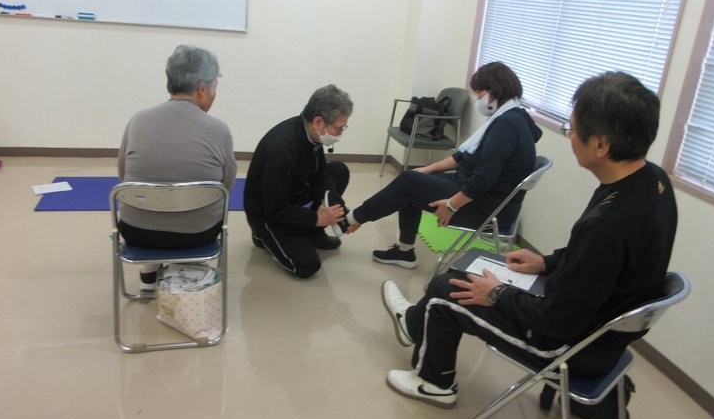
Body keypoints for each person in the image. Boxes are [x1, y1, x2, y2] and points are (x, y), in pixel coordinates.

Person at [380, 71, 677, 409]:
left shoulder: (608, 225)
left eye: (572, 129)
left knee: (445, 290)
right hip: (599, 329)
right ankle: (413, 323)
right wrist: (546, 262)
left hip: (566, 345)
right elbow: (599, 260)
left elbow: (557, 320)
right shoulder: (652, 180)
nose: (570, 137)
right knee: (469, 270)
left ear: (601, 145)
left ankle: (435, 383)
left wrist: (497, 293)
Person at [346, 61, 542, 268]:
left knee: (408, 182)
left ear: (495, 90)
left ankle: (351, 219)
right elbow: (463, 157)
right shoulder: (512, 116)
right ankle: (403, 251)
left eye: (480, 93)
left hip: (487, 209)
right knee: (414, 178)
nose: (478, 99)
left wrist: (451, 205)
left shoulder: (506, 126)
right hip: (477, 193)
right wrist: (427, 169)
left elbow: (483, 179)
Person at [117, 45, 237, 290]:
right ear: (202, 89)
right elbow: (226, 186)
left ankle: (149, 273)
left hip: (137, 230)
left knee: (149, 206)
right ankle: (189, 270)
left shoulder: (138, 120)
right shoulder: (219, 129)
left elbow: (123, 174)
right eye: (215, 87)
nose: (214, 93)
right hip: (198, 233)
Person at [244, 84, 353, 279]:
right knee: (307, 266)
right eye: (338, 128)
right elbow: (274, 207)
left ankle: (313, 233)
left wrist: (340, 213)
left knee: (338, 171)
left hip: (292, 195)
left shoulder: (312, 135)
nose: (340, 133)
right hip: (267, 212)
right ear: (318, 121)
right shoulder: (281, 149)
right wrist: (315, 218)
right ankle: (262, 236)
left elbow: (321, 178)